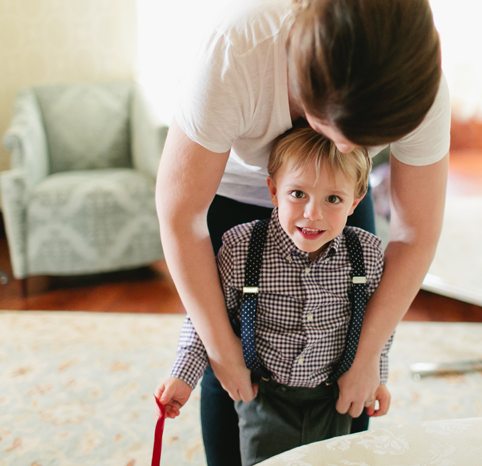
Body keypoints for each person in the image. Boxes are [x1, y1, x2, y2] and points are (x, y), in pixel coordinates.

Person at [154, 0, 449, 465]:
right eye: (332, 128)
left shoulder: (418, 85)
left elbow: (415, 232)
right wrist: (222, 355)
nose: (340, 148)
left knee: (348, 355)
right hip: (230, 188)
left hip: (341, 190)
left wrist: (367, 359)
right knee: (234, 363)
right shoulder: (236, 49)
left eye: (362, 142)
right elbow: (180, 217)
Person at [157, 125, 394, 465]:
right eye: (298, 194)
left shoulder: (367, 254)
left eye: (333, 199)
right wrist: (183, 375)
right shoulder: (241, 248)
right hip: (263, 400)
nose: (313, 213)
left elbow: (380, 324)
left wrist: (378, 375)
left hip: (334, 399)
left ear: (355, 202)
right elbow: (206, 315)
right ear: (273, 190)